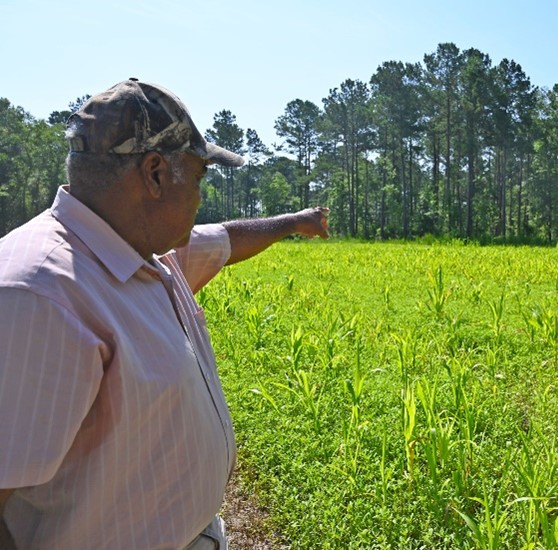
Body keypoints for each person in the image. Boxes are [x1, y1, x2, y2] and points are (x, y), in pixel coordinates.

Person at [0, 78, 329, 549]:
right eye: (196, 179)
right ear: (154, 174)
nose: (200, 199)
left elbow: (228, 239)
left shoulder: (142, 252)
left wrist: (293, 221)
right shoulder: (38, 294)